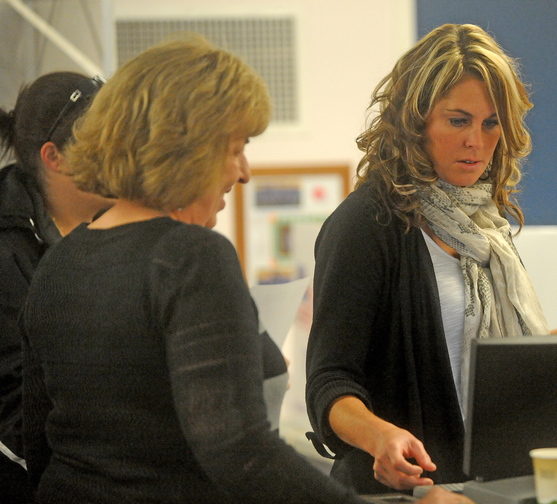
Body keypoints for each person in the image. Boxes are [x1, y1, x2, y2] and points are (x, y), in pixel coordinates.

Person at [19, 35, 470, 504]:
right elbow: (241, 453)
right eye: (235, 148)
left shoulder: (59, 262)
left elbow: (39, 444)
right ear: (186, 147)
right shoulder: (190, 258)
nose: (244, 172)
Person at [305, 23, 557, 495]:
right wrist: (381, 437)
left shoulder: (486, 228)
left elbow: (495, 364)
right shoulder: (366, 225)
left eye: (491, 123)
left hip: (493, 484)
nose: (476, 141)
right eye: (458, 120)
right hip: (404, 491)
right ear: (415, 120)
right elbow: (330, 383)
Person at [0, 71, 113, 502]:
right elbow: (13, 414)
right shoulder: (7, 252)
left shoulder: (122, 227)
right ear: (55, 157)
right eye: (104, 139)